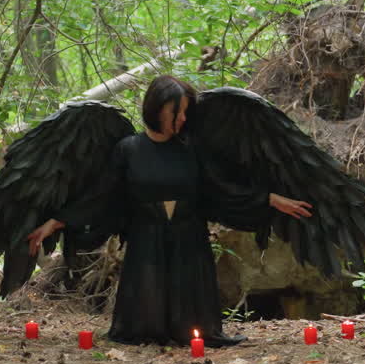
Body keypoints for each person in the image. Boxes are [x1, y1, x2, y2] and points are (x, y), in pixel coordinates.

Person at [24, 76, 313, 348]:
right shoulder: (129, 150)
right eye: (177, 112)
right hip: (146, 238)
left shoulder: (193, 149)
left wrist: (270, 199)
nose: (184, 118)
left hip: (189, 236)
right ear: (158, 109)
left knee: (192, 319)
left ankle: (194, 335)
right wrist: (57, 221)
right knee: (145, 319)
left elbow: (222, 187)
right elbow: (101, 195)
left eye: (186, 111)